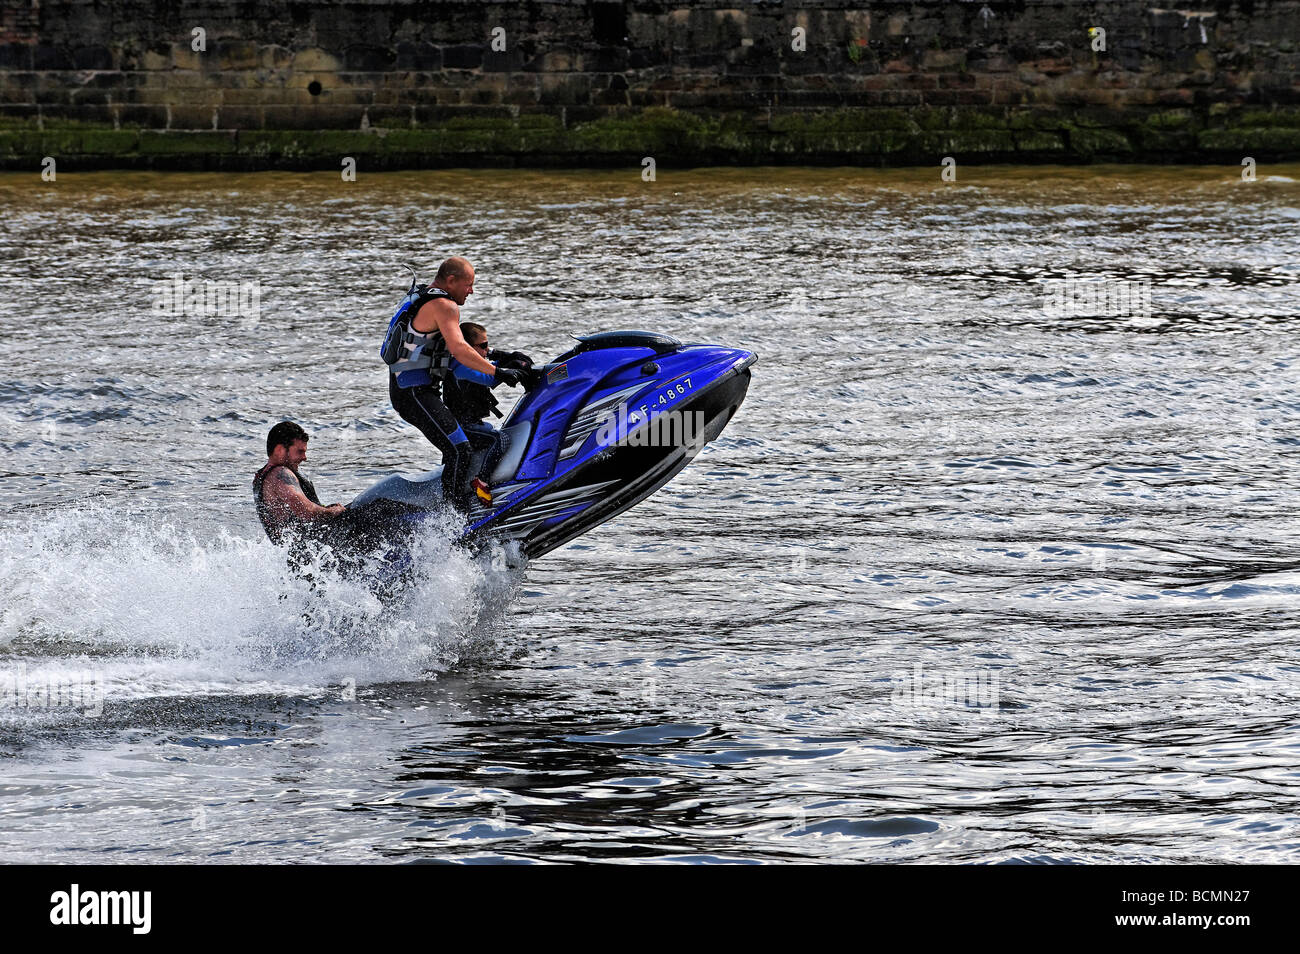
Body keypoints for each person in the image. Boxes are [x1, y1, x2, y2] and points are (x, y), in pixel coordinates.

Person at [384, 257, 524, 510]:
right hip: (414, 394)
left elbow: (452, 359)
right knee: (459, 450)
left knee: (457, 447)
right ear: (451, 280)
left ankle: (454, 504)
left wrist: (496, 368)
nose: (471, 291)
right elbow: (460, 349)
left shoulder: (424, 297)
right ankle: (453, 516)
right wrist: (497, 371)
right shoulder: (444, 305)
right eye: (468, 284)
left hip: (412, 392)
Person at [253, 421, 409, 568]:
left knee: (362, 506)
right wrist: (331, 512)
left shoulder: (261, 478)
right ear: (280, 449)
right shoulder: (281, 474)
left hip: (303, 556)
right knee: (381, 506)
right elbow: (306, 511)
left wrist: (329, 509)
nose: (304, 458)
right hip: (321, 549)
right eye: (299, 451)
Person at [441, 321, 536, 486]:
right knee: (499, 440)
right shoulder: (461, 367)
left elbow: (506, 364)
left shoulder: (473, 363)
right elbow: (492, 378)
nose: (487, 350)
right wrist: (511, 369)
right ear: (467, 348)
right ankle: (482, 482)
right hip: (462, 426)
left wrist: (498, 354)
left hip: (472, 423)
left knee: (492, 431)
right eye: (483, 345)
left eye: (488, 345)